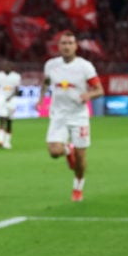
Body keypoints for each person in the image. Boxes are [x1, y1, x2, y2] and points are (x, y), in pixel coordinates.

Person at [41, 31, 103, 202]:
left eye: (70, 43)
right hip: (58, 115)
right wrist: (41, 99)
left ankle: (77, 188)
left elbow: (99, 89)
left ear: (76, 46)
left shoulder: (85, 67)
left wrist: (88, 96)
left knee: (81, 160)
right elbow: (46, 82)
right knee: (54, 152)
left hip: (79, 117)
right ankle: (69, 150)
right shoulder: (51, 65)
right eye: (63, 43)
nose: (66, 46)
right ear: (58, 46)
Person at [0, 60, 21, 149]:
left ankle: (7, 142)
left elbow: (17, 90)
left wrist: (11, 96)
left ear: (11, 67)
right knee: (2, 119)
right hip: (1, 99)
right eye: (4, 66)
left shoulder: (16, 76)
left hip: (11, 101)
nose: (6, 67)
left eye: (8, 66)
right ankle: (0, 141)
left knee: (9, 122)